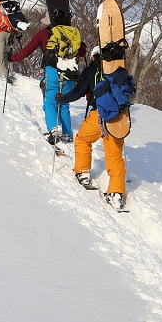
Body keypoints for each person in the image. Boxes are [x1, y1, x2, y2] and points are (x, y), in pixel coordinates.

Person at [55, 49, 127, 210]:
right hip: (120, 118)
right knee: (115, 156)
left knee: (83, 139)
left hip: (100, 114)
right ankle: (116, 193)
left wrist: (61, 98)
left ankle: (82, 172)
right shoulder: (120, 68)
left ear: (94, 56)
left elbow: (78, 92)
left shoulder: (91, 69)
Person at [10, 4, 84, 144]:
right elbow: (83, 51)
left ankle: (54, 130)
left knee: (50, 102)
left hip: (52, 70)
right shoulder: (73, 33)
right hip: (69, 71)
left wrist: (11, 58)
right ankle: (67, 135)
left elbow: (26, 51)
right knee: (64, 103)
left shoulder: (44, 33)